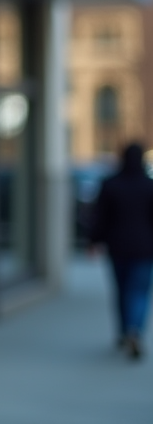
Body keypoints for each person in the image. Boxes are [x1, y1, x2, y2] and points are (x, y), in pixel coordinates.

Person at [91, 142, 153, 361]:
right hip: (145, 248)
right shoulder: (149, 186)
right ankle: (134, 330)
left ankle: (125, 331)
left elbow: (99, 217)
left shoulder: (111, 184)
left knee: (122, 290)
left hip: (117, 247)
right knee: (139, 292)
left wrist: (94, 241)